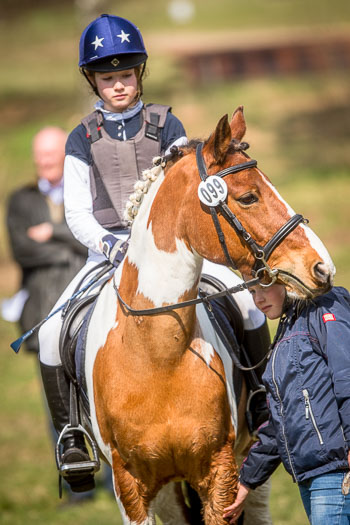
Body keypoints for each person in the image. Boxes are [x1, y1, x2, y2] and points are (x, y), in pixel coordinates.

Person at [38, 13, 270, 496]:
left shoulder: (167, 123)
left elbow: (185, 189)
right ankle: (73, 435)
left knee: (245, 303)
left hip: (170, 249)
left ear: (139, 74)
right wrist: (111, 244)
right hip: (107, 253)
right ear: (93, 80)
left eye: (125, 75)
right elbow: (77, 212)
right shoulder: (81, 136)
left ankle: (261, 406)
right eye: (107, 77)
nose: (118, 85)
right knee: (52, 330)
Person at [223, 275, 350, 525]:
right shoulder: (286, 333)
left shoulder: (326, 305)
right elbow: (280, 423)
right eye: (251, 292)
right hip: (310, 477)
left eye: (264, 288)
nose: (258, 299)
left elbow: (347, 376)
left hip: (337, 472)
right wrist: (246, 481)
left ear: (287, 281)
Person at [5, 126, 87, 353]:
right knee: (50, 386)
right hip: (40, 308)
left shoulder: (85, 193)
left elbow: (90, 240)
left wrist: (52, 232)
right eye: (40, 155)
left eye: (50, 154)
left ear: (66, 156)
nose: (44, 161)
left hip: (84, 305)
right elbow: (22, 249)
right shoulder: (21, 200)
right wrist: (69, 253)